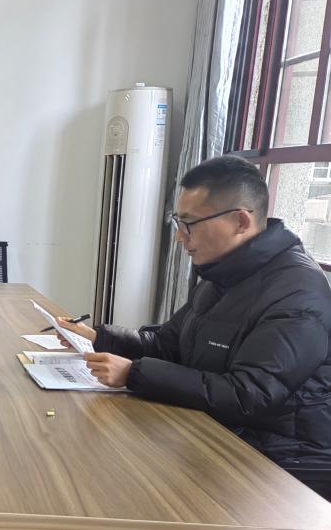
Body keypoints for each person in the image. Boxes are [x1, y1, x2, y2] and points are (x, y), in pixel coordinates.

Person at [58, 155, 331, 497]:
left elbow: (248, 395)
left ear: (240, 221)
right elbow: (169, 345)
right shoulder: (223, 275)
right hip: (218, 432)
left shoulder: (299, 294)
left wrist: (133, 374)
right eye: (178, 222)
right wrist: (99, 338)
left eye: (189, 223)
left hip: (282, 463)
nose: (179, 237)